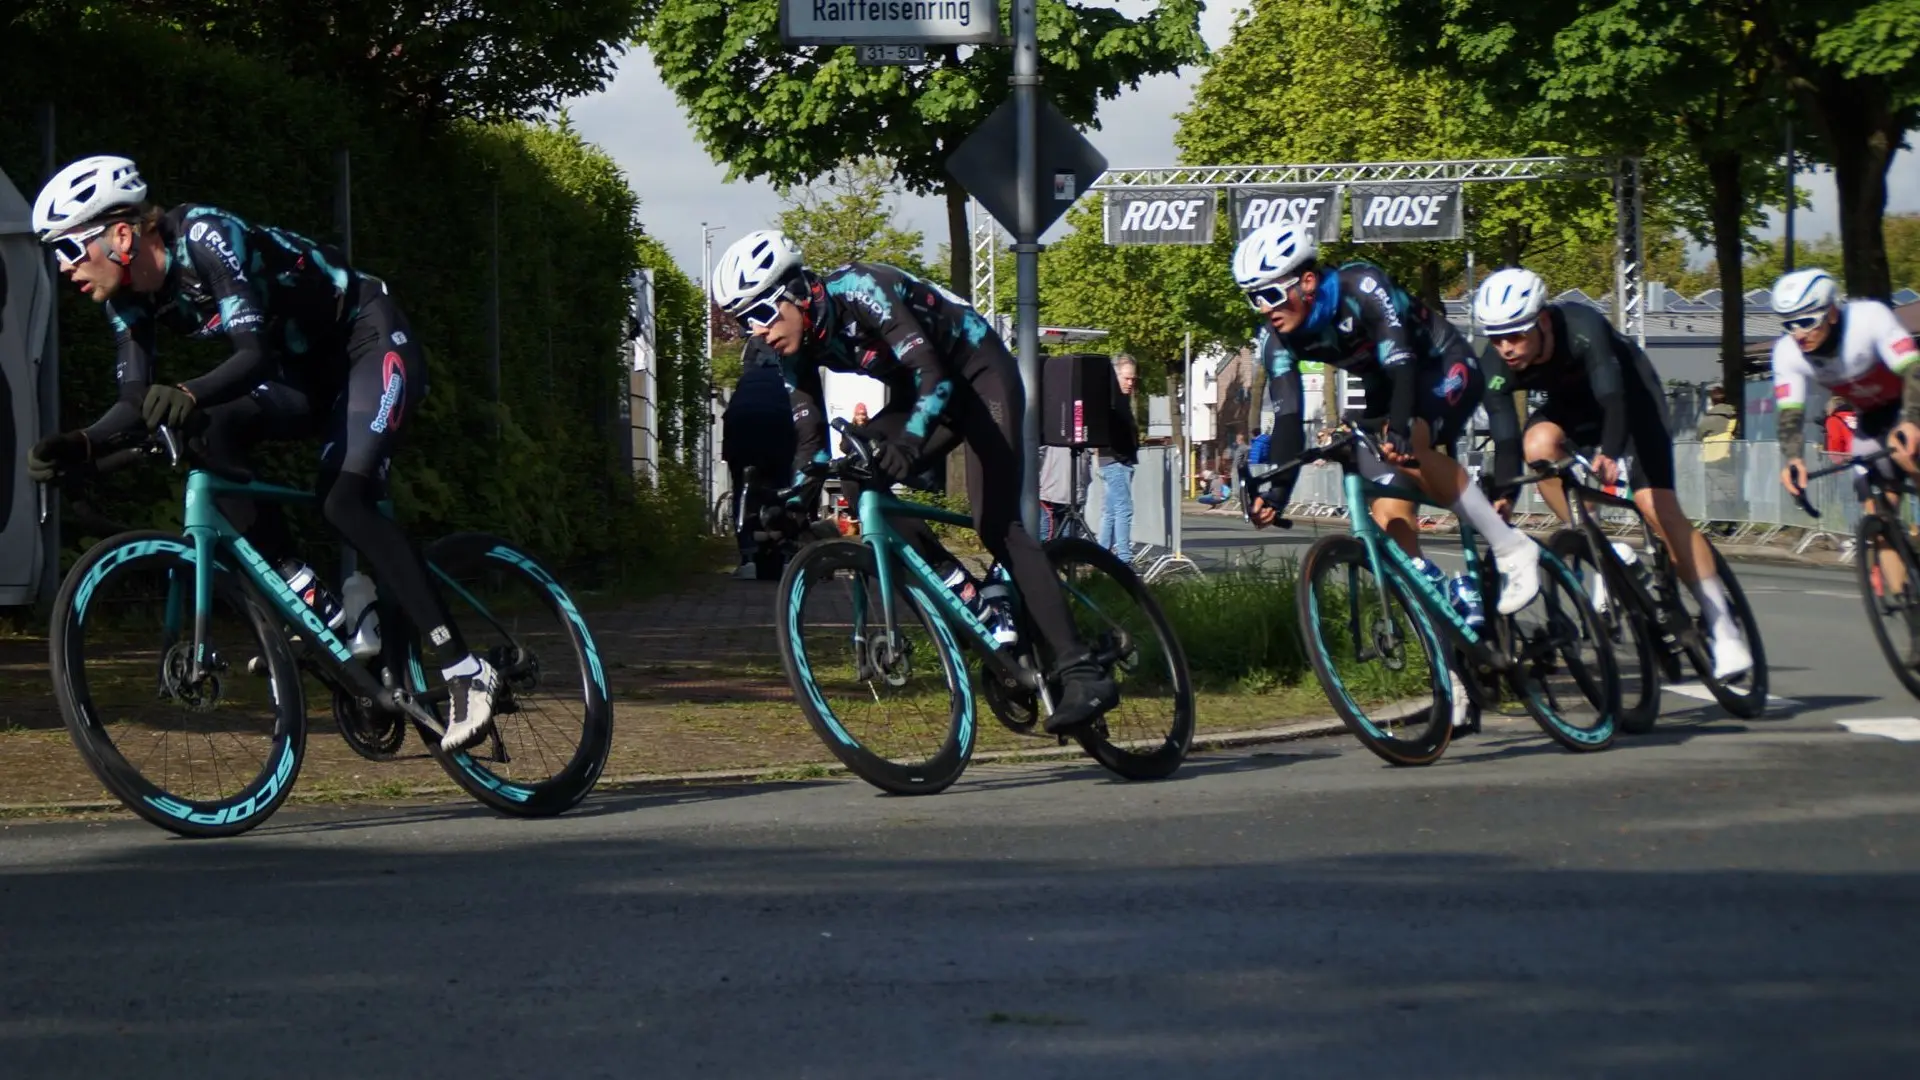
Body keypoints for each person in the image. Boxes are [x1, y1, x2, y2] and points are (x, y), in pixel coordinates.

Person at [22, 155, 503, 751]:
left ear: (121, 235)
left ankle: (464, 670)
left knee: (344, 499)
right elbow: (134, 400)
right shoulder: (129, 299)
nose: (65, 269)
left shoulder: (205, 236)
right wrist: (82, 444)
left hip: (365, 341)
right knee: (205, 435)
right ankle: (328, 610)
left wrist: (188, 392)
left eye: (69, 250)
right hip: (298, 375)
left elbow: (250, 356)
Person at [709, 229, 1117, 733]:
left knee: (998, 526)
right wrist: (791, 500)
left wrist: (906, 445)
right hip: (916, 391)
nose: (758, 331)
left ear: (796, 291)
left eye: (762, 314)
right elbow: (811, 441)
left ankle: (1082, 670)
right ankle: (966, 596)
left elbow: (935, 376)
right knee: (857, 472)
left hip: (977, 374)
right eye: (745, 322)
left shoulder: (861, 289)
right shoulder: (794, 351)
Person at [1233, 220, 1540, 616]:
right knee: (1385, 508)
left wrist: (1397, 429)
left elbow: (1401, 362)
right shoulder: (1275, 337)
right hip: (1381, 386)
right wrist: (1275, 492)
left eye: (1271, 294)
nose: (1265, 309)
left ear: (1307, 282)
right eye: (1254, 299)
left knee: (1405, 440)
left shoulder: (1359, 285)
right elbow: (1289, 415)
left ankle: (1511, 546)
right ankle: (1437, 606)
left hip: (1439, 366)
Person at [1473, 266, 1752, 678]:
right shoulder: (1495, 363)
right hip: (1573, 409)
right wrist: (1505, 497)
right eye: (1497, 338)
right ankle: (1596, 542)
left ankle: (1723, 626)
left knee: (1654, 506)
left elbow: (1614, 399)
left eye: (1516, 335)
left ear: (1543, 321)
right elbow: (1507, 438)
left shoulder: (1584, 328)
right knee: (1538, 445)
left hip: (1631, 403)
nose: (1506, 348)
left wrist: (1609, 451)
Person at [1770, 267, 1920, 602]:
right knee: (1875, 513)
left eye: (1806, 321)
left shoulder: (1869, 319)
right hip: (1872, 419)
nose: (1798, 333)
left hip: (1912, 403)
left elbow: (1914, 371)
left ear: (1832, 313)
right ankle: (1909, 608)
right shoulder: (1787, 354)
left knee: (1907, 455)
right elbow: (1789, 416)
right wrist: (1793, 459)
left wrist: (1912, 421)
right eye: (1788, 324)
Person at [721, 336, 797, 578]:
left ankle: (747, 557)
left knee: (742, 488)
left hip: (740, 424)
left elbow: (730, 416)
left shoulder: (745, 381)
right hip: (778, 423)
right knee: (785, 484)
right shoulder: (789, 382)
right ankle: (787, 553)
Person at [1095, 355, 1140, 562]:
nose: (1130, 383)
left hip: (1119, 460)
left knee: (1112, 511)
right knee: (1124, 509)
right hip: (1115, 460)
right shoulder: (1111, 400)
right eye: (1126, 378)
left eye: (1133, 379)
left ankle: (1100, 556)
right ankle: (1123, 559)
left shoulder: (1120, 400)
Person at [1037, 443, 1089, 541]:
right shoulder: (1083, 442)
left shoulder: (1051, 440)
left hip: (1051, 490)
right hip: (1075, 492)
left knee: (1047, 532)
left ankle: (1046, 553)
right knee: (1067, 534)